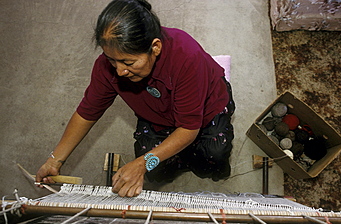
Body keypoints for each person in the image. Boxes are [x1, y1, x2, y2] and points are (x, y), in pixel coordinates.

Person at [36, 0, 235, 197]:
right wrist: (55, 160)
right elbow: (87, 112)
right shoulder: (107, 68)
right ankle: (175, 160)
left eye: (128, 62)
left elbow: (188, 128)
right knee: (154, 165)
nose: (120, 71)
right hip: (158, 115)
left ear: (155, 47)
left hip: (205, 112)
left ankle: (189, 159)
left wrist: (142, 164)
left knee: (214, 154)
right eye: (112, 60)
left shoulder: (187, 58)